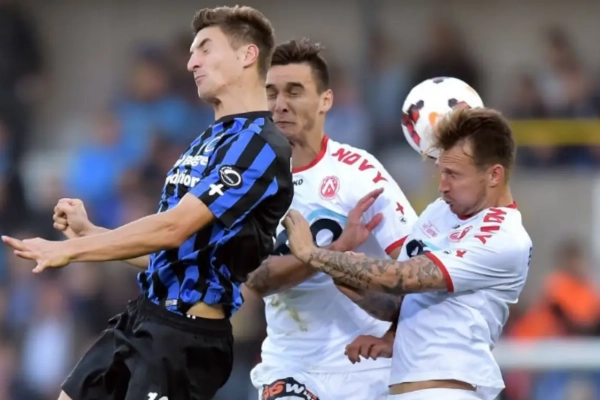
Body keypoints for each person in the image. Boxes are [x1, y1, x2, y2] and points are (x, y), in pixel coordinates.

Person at [2, 6, 293, 400]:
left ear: (247, 55)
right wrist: (93, 233)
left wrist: (71, 250)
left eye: (205, 49)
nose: (191, 63)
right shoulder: (206, 141)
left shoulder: (260, 145)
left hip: (186, 338)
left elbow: (173, 228)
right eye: (191, 53)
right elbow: (171, 252)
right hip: (143, 318)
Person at [282, 107, 532, 400]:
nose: (442, 186)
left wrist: (314, 254)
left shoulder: (505, 237)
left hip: (450, 392)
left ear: (494, 175)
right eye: (441, 172)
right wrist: (356, 288)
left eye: (453, 174)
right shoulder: (439, 211)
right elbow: (401, 302)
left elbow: (403, 277)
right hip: (406, 388)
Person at [242, 39, 418, 400]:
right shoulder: (247, 182)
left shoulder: (361, 174)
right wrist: (334, 252)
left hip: (369, 366)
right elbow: (258, 280)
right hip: (291, 366)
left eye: (294, 91)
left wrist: (393, 334)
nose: (280, 104)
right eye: (271, 93)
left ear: (326, 100)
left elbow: (418, 268)